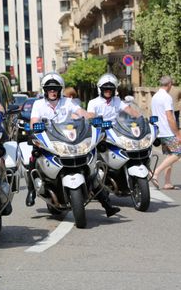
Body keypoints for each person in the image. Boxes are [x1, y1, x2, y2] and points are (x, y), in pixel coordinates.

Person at [25, 72, 120, 217]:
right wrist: (34, 128)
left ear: (60, 89)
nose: (52, 91)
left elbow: (81, 113)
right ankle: (31, 191)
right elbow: (34, 121)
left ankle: (106, 204)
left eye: (55, 88)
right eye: (49, 88)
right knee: (33, 156)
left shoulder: (67, 102)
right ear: (45, 90)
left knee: (91, 167)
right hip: (48, 141)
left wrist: (92, 118)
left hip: (68, 140)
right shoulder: (38, 104)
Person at [151, 75, 181, 190]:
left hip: (160, 131)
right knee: (178, 153)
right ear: (169, 85)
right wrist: (177, 133)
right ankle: (155, 173)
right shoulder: (166, 97)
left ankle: (167, 182)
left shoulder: (155, 97)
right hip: (168, 131)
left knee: (170, 155)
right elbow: (170, 117)